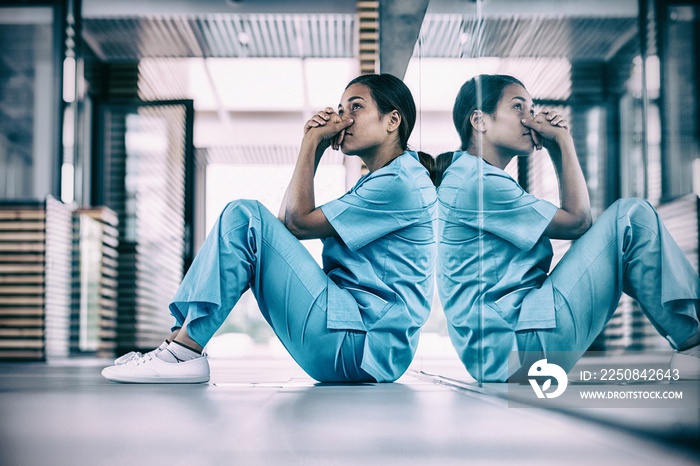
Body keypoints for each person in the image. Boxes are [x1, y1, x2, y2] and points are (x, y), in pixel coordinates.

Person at [102, 73, 437, 384]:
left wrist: (310, 142)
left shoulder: (400, 182)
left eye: (356, 107)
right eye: (340, 108)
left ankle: (182, 353)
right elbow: (287, 225)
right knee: (248, 221)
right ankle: (178, 346)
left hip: (358, 343)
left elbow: (295, 222)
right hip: (355, 339)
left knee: (244, 216)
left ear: (393, 120)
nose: (343, 118)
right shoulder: (386, 179)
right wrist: (316, 147)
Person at [436, 74, 700, 382]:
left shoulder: (469, 176)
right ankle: (695, 342)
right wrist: (562, 141)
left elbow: (576, 220)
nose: (530, 119)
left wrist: (557, 147)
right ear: (480, 120)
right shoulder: (478, 183)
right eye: (518, 107)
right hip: (519, 349)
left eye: (531, 108)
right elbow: (578, 221)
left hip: (506, 350)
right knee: (632, 217)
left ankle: (693, 342)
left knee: (626, 223)